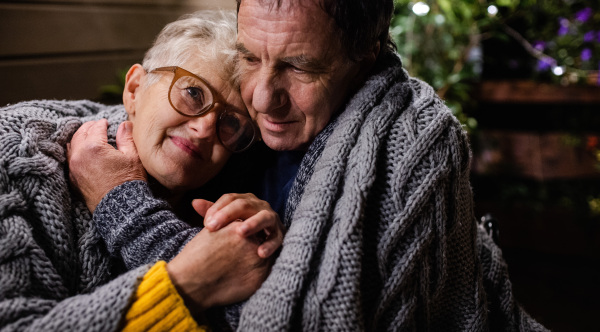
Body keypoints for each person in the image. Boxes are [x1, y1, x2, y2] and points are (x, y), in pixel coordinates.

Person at [69, 0, 549, 331]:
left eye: (299, 67)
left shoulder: (413, 143)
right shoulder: (245, 122)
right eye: (250, 57)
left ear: (366, 53)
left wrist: (124, 205)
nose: (261, 98)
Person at [0, 10, 284, 332]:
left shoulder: (234, 187)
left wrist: (263, 244)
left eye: (231, 122)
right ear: (134, 89)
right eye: (193, 93)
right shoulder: (17, 160)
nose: (205, 129)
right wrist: (189, 281)